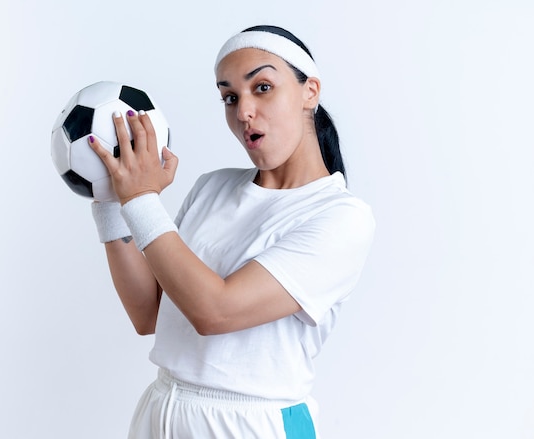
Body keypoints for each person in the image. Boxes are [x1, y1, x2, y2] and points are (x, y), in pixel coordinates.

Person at [88, 25, 375, 439]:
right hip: (161, 409)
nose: (243, 112)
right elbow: (149, 313)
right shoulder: (213, 187)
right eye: (229, 97)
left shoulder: (341, 217)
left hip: (252, 425)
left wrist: (142, 201)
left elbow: (215, 311)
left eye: (262, 87)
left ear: (309, 91)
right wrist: (113, 203)